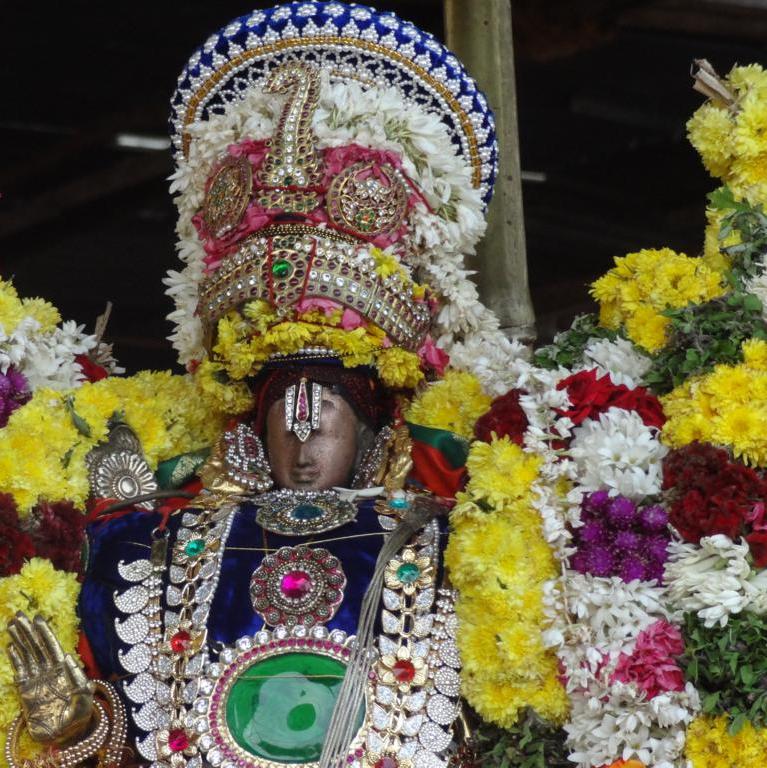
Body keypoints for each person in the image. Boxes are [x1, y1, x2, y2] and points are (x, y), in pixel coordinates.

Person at [4, 3, 506, 768]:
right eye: (287, 416)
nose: (303, 441)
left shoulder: (453, 530)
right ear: (251, 421)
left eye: (325, 411)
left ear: (372, 421)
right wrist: (68, 725)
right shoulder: (149, 536)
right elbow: (127, 744)